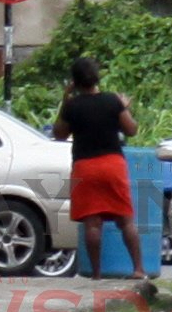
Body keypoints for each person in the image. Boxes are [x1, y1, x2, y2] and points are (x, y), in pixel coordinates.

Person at [53, 54, 139, 278]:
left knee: (92, 223)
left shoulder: (72, 106)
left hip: (85, 167)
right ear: (96, 79)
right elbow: (131, 130)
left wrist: (65, 99)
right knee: (126, 220)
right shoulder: (112, 100)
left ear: (74, 82)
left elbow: (59, 135)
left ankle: (97, 274)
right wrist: (124, 107)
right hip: (113, 164)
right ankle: (138, 269)